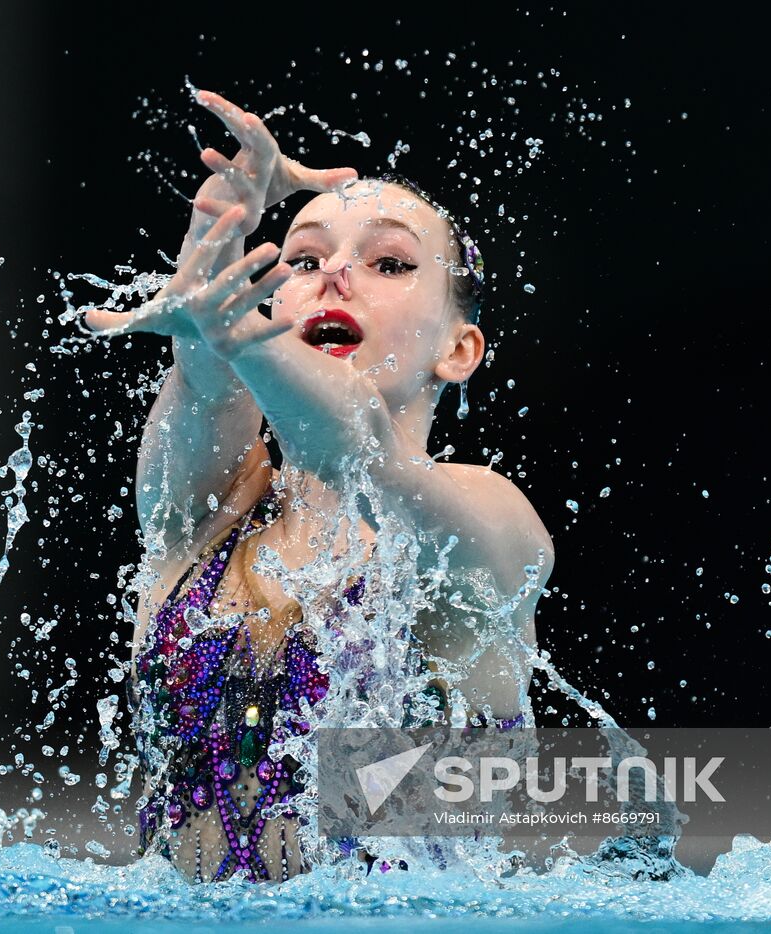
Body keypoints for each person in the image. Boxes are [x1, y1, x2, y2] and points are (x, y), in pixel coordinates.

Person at [85, 91, 554, 883]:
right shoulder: (206, 516)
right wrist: (216, 243)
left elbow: (362, 450)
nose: (335, 272)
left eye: (390, 263)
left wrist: (232, 333)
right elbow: (203, 387)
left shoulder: (485, 520)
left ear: (459, 349)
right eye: (302, 260)